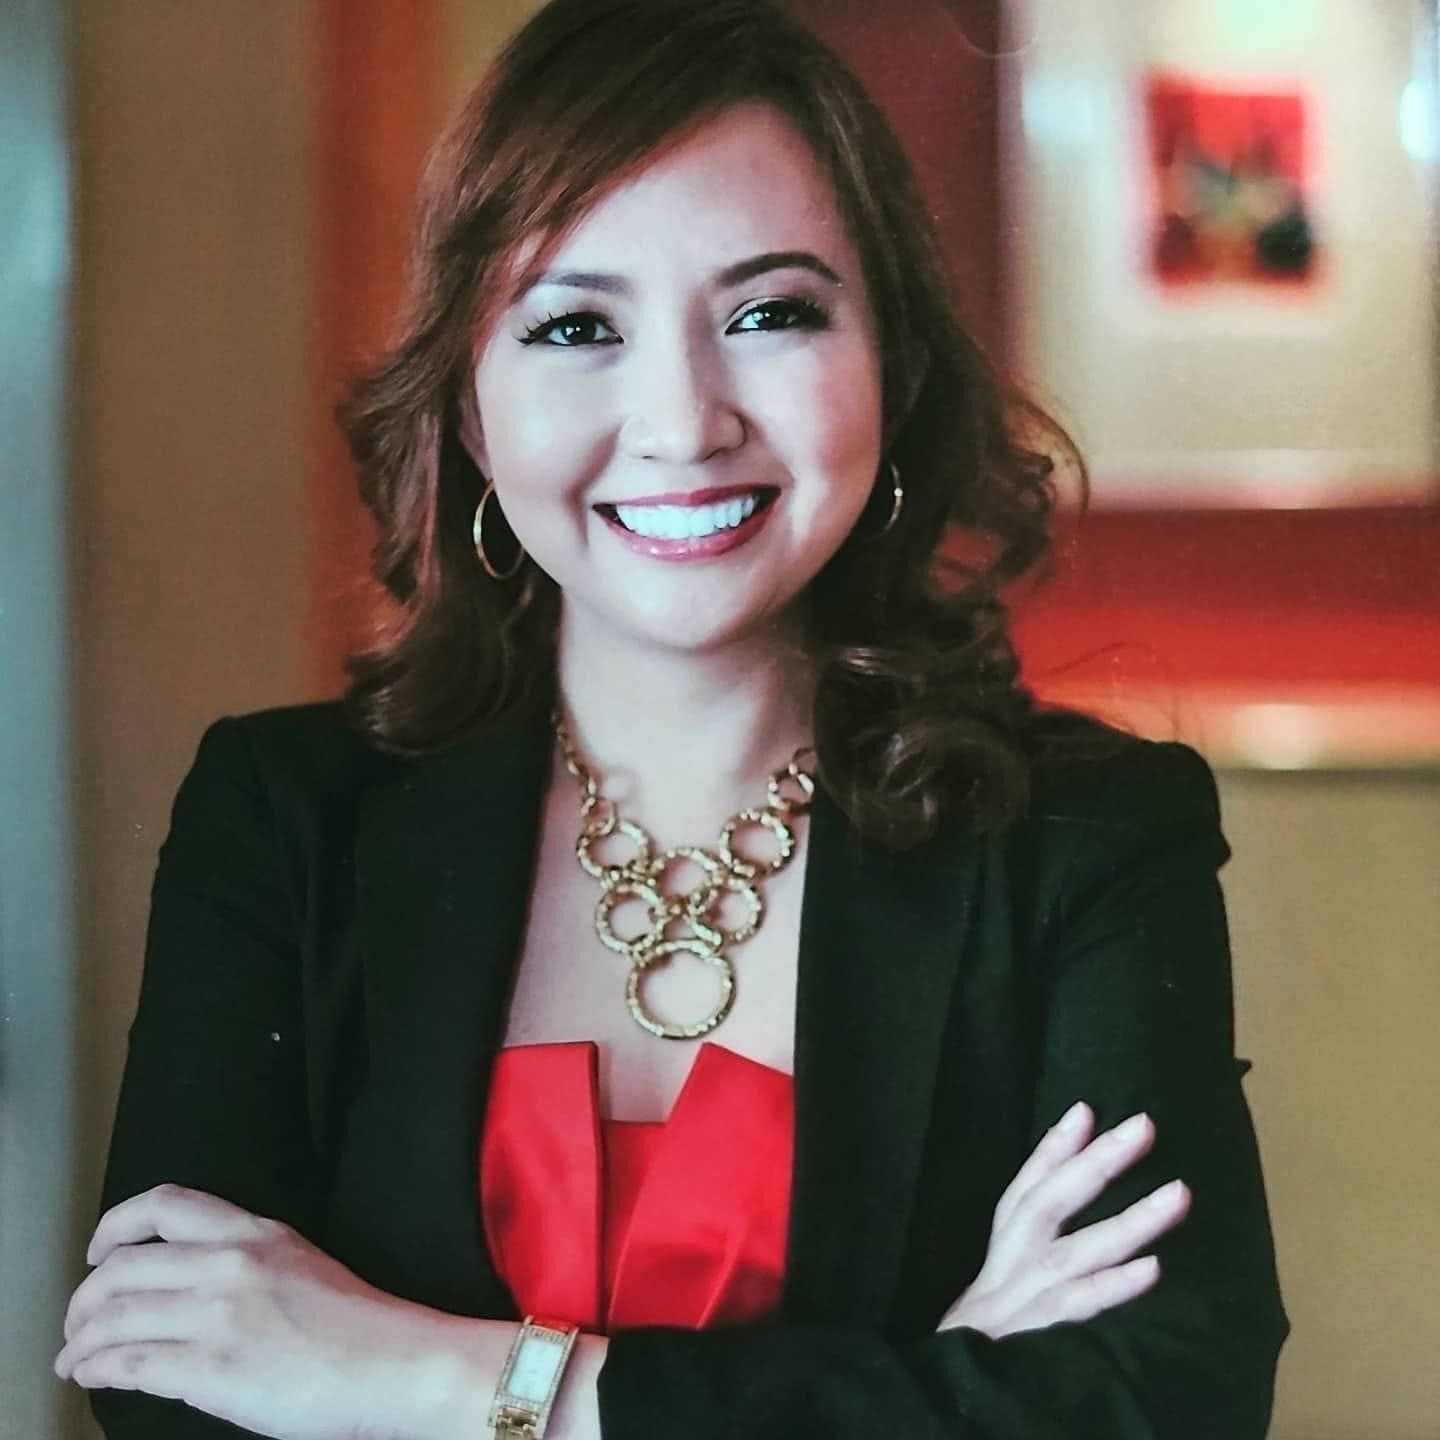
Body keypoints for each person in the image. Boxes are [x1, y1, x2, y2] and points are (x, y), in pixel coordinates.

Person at [55, 1, 1289, 1435]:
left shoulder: (1088, 837)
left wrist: (427, 1378)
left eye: (770, 314)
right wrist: (933, 1386)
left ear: (890, 363)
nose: (682, 419)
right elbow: (169, 1388)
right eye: (577, 325)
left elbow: (1154, 1404)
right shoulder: (279, 817)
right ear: (466, 409)